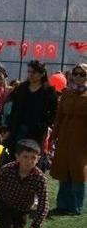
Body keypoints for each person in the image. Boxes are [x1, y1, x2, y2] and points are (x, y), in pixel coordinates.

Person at [49, 63, 87, 215]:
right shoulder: (67, 93)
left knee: (78, 172)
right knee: (63, 170)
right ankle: (62, 204)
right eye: (75, 74)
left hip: (82, 139)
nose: (78, 77)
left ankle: (75, 206)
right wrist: (54, 136)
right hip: (64, 137)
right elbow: (59, 117)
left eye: (82, 74)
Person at [4, 60, 57, 158]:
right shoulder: (21, 88)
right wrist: (9, 129)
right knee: (15, 156)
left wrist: (44, 124)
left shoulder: (49, 92)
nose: (31, 75)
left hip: (36, 132)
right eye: (29, 72)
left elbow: (54, 112)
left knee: (31, 158)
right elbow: (14, 110)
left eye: (34, 72)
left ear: (42, 74)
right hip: (18, 129)